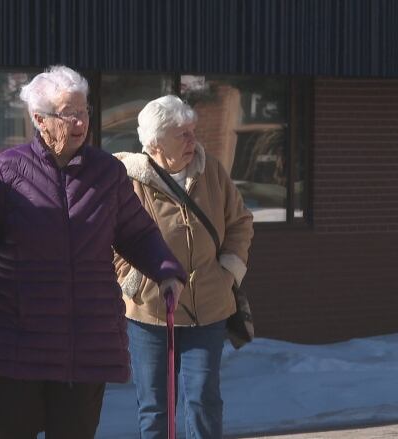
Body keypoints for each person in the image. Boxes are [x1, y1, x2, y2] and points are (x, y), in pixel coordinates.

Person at [0, 65, 187, 439]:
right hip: (19, 341)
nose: (79, 121)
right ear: (39, 120)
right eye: (68, 113)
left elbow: (137, 232)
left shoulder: (107, 172)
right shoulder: (6, 171)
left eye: (83, 111)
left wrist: (166, 269)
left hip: (85, 342)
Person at [113, 95, 254, 439]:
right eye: (183, 134)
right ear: (156, 143)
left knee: (204, 400)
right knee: (155, 406)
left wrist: (227, 273)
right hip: (150, 312)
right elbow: (108, 238)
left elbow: (241, 222)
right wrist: (135, 282)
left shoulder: (212, 172)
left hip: (209, 306)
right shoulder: (127, 180)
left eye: (193, 131)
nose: (194, 141)